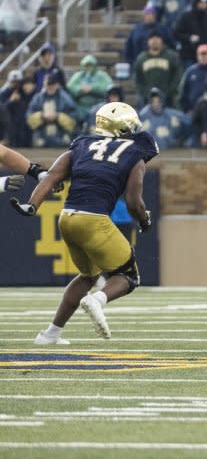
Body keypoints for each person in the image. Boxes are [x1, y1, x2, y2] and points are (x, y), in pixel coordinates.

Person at [11, 102, 158, 345]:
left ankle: (50, 334)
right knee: (128, 276)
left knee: (88, 276)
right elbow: (133, 201)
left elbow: (52, 177)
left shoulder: (81, 145)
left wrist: (32, 205)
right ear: (121, 127)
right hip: (94, 219)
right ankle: (97, 300)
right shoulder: (135, 154)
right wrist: (144, 220)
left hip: (67, 219)